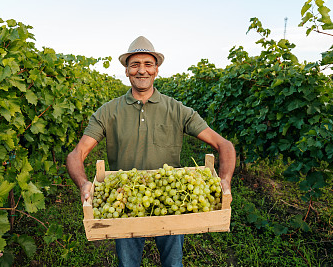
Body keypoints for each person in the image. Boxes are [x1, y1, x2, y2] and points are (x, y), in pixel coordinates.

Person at [66, 36, 236, 267]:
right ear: (126, 71)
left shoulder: (177, 109)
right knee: (127, 264)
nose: (141, 71)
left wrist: (224, 180)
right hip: (125, 203)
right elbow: (77, 154)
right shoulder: (108, 112)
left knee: (173, 263)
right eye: (134, 65)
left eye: (148, 64)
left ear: (156, 70)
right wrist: (84, 183)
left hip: (170, 201)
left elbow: (224, 145)